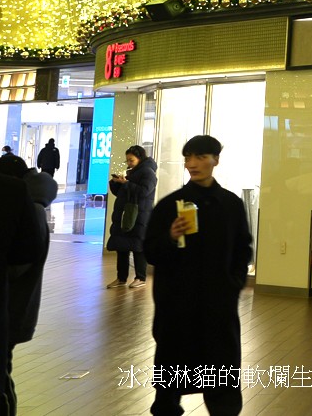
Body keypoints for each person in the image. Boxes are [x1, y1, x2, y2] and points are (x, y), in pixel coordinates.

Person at [143, 135, 252, 416]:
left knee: (222, 375)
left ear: (216, 160)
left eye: (201, 157)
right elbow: (151, 252)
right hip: (177, 307)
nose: (193, 164)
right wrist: (170, 236)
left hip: (218, 305)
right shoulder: (170, 205)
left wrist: (233, 284)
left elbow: (243, 248)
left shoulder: (230, 204)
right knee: (171, 376)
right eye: (188, 157)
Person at [0, 153, 53, 416]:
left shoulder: (29, 209)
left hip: (13, 306)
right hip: (13, 307)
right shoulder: (30, 205)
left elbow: (23, 262)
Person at [107, 146, 157, 290]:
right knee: (121, 246)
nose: (129, 163)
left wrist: (127, 183)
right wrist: (116, 183)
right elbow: (122, 193)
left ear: (140, 158)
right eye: (127, 160)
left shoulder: (148, 173)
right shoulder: (132, 172)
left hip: (139, 215)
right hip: (126, 214)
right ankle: (121, 278)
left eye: (131, 160)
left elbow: (144, 191)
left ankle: (140, 277)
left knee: (137, 247)